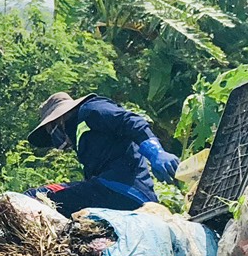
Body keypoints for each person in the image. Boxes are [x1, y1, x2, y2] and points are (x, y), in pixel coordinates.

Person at [25, 92, 180, 218]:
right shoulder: (81, 136)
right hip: (120, 193)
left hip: (119, 189)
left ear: (60, 119)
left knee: (35, 196)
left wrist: (156, 152)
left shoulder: (90, 109)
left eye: (53, 130)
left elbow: (131, 121)